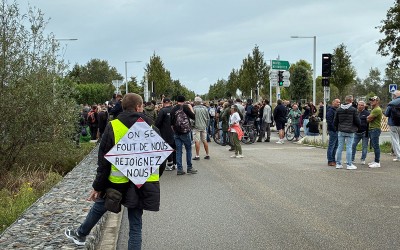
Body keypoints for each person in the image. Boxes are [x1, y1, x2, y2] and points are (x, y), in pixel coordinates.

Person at [65, 93, 164, 249]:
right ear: (138, 107)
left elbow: (103, 161)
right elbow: (160, 157)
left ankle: (81, 234)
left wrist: (98, 186)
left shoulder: (114, 125)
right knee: (135, 226)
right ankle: (80, 233)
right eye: (142, 106)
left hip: (117, 183)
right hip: (141, 183)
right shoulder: (151, 126)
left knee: (99, 206)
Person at [170, 95, 197, 175]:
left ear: (177, 100)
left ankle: (180, 169)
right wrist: (191, 108)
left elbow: (171, 123)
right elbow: (194, 117)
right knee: (188, 149)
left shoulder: (173, 109)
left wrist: (175, 130)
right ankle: (189, 167)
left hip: (176, 132)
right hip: (185, 132)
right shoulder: (185, 108)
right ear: (184, 101)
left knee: (179, 151)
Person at [334, 95, 360, 170]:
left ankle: (338, 163)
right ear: (351, 101)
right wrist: (358, 126)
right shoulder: (353, 109)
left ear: (345, 100)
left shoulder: (338, 109)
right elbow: (357, 120)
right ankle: (349, 164)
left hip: (341, 130)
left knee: (340, 147)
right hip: (350, 130)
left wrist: (337, 128)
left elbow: (335, 121)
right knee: (349, 147)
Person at [155, 98, 176, 171]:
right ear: (170, 102)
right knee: (174, 147)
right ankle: (175, 163)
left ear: (163, 103)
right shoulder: (174, 109)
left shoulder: (163, 111)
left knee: (167, 147)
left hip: (165, 131)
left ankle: (170, 163)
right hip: (175, 131)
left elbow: (158, 122)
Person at [351, 101, 370, 165]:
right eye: (359, 105)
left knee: (364, 147)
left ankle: (363, 159)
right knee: (353, 145)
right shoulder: (355, 112)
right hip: (356, 132)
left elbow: (369, 122)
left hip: (364, 132)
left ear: (364, 106)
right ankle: (352, 159)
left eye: (361, 105)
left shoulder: (367, 113)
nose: (360, 106)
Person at [367, 96, 383, 168]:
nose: (371, 101)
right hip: (372, 129)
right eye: (371, 100)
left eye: (373, 100)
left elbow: (368, 119)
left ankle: (377, 162)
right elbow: (369, 118)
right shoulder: (373, 109)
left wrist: (368, 117)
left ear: (377, 101)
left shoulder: (377, 109)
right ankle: (375, 160)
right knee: (374, 145)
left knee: (376, 146)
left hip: (375, 129)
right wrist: (368, 117)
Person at [385, 90, 400, 162]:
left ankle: (398, 156)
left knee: (395, 140)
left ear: (394, 96)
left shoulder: (391, 103)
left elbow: (386, 114)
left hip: (393, 124)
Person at [326, 98, 340, 166]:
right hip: (333, 130)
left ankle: (334, 159)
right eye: (337, 102)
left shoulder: (337, 110)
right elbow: (329, 121)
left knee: (336, 146)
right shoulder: (330, 110)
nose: (338, 103)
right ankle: (330, 160)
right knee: (331, 146)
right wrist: (334, 129)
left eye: (339, 102)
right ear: (333, 102)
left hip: (337, 130)